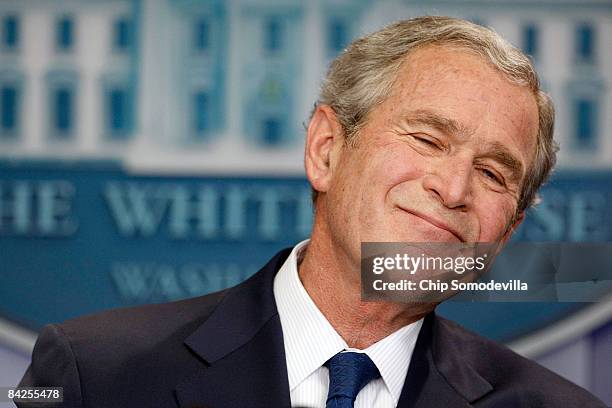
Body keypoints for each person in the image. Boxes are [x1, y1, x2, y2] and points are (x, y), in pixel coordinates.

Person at [17, 16, 605, 408]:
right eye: (427, 139)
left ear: (508, 232)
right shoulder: (91, 374)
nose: (453, 189)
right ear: (326, 149)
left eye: (493, 173)